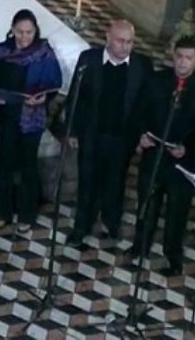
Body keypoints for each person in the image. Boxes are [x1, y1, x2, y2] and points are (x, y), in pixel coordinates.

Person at [127, 35, 195, 275]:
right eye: (179, 57)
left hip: (182, 161)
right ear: (173, 56)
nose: (182, 63)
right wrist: (141, 134)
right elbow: (139, 110)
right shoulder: (157, 80)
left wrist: (188, 147)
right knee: (147, 202)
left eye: (188, 58)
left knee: (177, 211)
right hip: (154, 153)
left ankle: (172, 257)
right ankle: (140, 246)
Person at [65, 20, 153, 246]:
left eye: (130, 42)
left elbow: (145, 105)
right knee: (87, 181)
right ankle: (81, 225)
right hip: (92, 134)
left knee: (116, 181)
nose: (125, 46)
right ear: (108, 38)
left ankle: (111, 222)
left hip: (122, 137)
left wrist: (142, 134)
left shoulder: (142, 66)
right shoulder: (89, 60)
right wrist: (73, 130)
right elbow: (76, 95)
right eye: (120, 41)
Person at [0, 9, 62, 233]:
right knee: (6, 163)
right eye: (19, 32)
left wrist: (43, 96)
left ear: (35, 31)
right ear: (12, 30)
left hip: (32, 117)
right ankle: (2, 211)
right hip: (7, 115)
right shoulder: (0, 51)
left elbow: (53, 83)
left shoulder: (44, 52)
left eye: (29, 32)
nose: (24, 37)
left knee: (29, 164)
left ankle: (26, 213)